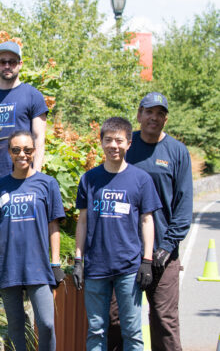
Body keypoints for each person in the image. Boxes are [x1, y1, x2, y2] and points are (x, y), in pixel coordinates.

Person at [109, 93, 193, 351]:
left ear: (165, 119)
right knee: (115, 321)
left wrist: (167, 246)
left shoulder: (177, 151)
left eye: (159, 113)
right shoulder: (125, 146)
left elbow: (184, 203)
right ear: (139, 115)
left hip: (162, 255)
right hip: (124, 251)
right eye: (148, 111)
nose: (153, 117)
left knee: (164, 322)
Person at [73, 117, 162, 351]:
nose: (114, 145)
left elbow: (147, 220)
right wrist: (78, 260)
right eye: (109, 140)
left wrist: (147, 261)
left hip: (129, 267)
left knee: (132, 332)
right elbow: (82, 221)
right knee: (96, 331)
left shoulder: (141, 179)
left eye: (119, 141)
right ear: (101, 142)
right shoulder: (89, 179)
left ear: (129, 144)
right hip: (95, 266)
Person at [0, 130, 66, 351]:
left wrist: (55, 263)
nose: (22, 154)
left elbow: (53, 225)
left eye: (27, 150)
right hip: (7, 266)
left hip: (38, 266)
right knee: (16, 328)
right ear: (9, 152)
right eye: (16, 150)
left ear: (34, 151)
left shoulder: (47, 184)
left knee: (47, 324)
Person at [0, 41, 49, 194]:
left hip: (21, 179)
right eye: (3, 62)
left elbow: (39, 138)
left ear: (20, 64)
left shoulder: (33, 95)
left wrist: (35, 176)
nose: (7, 66)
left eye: (12, 62)